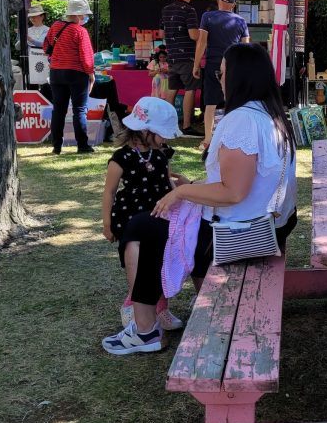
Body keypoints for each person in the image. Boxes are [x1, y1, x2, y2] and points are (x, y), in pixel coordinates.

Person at [101, 43, 298, 355]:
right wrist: (193, 185)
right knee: (152, 225)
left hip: (238, 236)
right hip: (265, 227)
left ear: (239, 77)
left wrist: (181, 191)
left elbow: (233, 192)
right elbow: (246, 182)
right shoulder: (271, 114)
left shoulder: (242, 120)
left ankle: (144, 328)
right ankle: (151, 318)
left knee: (141, 228)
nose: (219, 80)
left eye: (222, 74)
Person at [101, 97, 186, 331]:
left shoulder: (161, 154)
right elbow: (109, 192)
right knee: (136, 254)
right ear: (146, 130)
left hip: (159, 214)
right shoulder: (121, 158)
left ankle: (161, 307)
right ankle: (133, 301)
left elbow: (167, 182)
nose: (167, 139)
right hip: (131, 217)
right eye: (164, 133)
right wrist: (107, 224)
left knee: (163, 259)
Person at [192, 0, 250, 150]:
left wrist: (196, 65)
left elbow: (202, 42)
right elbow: (245, 47)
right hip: (233, 66)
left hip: (212, 65)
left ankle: (208, 140)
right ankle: (234, 138)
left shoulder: (207, 17)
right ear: (233, 5)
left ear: (219, 1)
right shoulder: (241, 21)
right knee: (234, 102)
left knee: (210, 103)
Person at [43, 0, 96, 155]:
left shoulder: (55, 26)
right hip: (76, 73)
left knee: (58, 110)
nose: (85, 18)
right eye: (85, 14)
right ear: (79, 15)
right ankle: (83, 145)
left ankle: (57, 146)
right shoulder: (80, 31)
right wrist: (91, 74)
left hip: (56, 73)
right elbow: (86, 57)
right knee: (79, 110)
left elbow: (46, 47)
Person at [162, 0, 203, 137]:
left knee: (172, 89)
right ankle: (186, 125)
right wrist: (202, 34)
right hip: (187, 56)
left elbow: (161, 32)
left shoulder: (166, 9)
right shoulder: (189, 10)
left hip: (172, 55)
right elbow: (193, 35)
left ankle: (166, 123)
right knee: (189, 89)